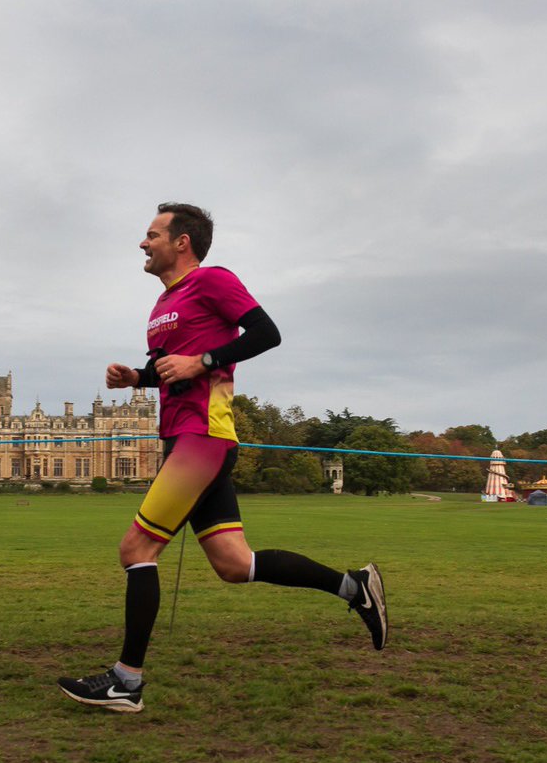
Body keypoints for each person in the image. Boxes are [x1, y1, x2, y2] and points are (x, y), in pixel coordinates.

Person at [58, 203, 387, 713]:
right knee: (235, 564)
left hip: (204, 437)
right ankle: (355, 587)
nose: (143, 244)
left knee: (136, 550)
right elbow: (174, 368)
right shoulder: (164, 301)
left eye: (151, 235)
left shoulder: (212, 280)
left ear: (181, 241)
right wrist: (138, 378)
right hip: (181, 435)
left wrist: (204, 360)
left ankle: (127, 681)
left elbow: (266, 333)